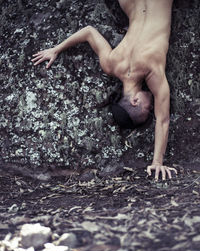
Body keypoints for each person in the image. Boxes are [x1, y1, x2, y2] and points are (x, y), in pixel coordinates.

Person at [32, 0, 177, 180]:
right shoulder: (111, 65)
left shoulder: (153, 71)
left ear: (135, 101)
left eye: (148, 109)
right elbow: (89, 32)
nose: (151, 107)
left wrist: (157, 162)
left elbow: (163, 120)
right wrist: (56, 49)